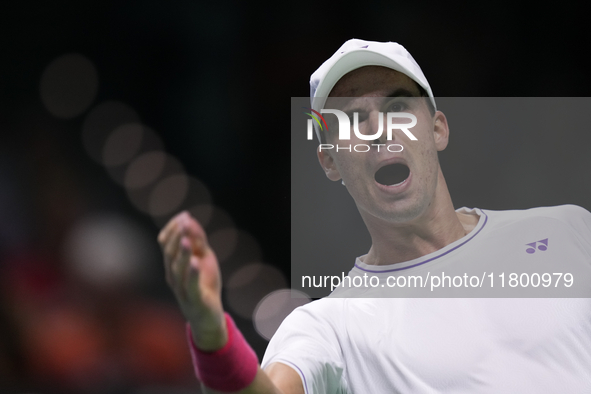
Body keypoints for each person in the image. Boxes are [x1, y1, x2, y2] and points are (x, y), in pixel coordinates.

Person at [158, 39, 591, 393]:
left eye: (397, 108)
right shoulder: (330, 329)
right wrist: (212, 337)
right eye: (352, 120)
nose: (379, 129)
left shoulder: (567, 229)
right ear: (329, 161)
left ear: (437, 128)